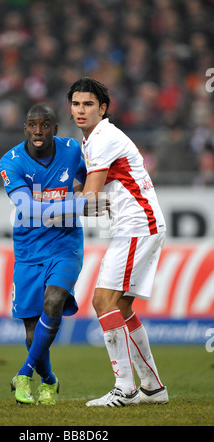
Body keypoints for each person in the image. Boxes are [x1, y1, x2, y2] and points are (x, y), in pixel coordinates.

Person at [67, 77, 169, 407]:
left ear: (103, 108)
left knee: (102, 301)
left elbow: (92, 199)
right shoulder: (92, 140)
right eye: (76, 104)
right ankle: (152, 388)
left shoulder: (103, 138)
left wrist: (51, 203)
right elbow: (93, 202)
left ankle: (124, 387)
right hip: (139, 225)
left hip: (137, 225)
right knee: (121, 307)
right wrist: (83, 198)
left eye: (88, 104)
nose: (81, 110)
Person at [0, 103, 106, 405]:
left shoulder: (72, 150)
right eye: (33, 124)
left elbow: (91, 181)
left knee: (55, 300)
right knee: (32, 333)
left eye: (45, 125)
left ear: (55, 129)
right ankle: (49, 380)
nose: (38, 130)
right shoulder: (12, 161)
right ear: (25, 129)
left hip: (65, 243)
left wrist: (87, 194)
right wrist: (77, 204)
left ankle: (24, 372)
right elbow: (28, 210)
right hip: (29, 249)